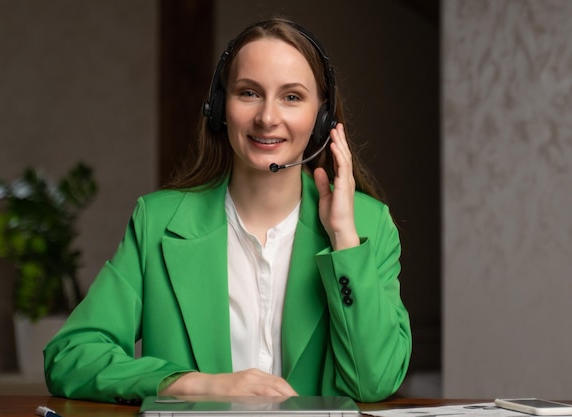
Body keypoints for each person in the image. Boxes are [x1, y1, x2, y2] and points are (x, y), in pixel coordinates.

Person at [43, 17, 412, 404]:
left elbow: (377, 380)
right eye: (249, 93)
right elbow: (70, 357)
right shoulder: (158, 222)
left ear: (321, 117)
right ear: (220, 107)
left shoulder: (368, 224)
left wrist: (343, 241)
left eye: (291, 97)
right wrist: (196, 384)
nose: (267, 117)